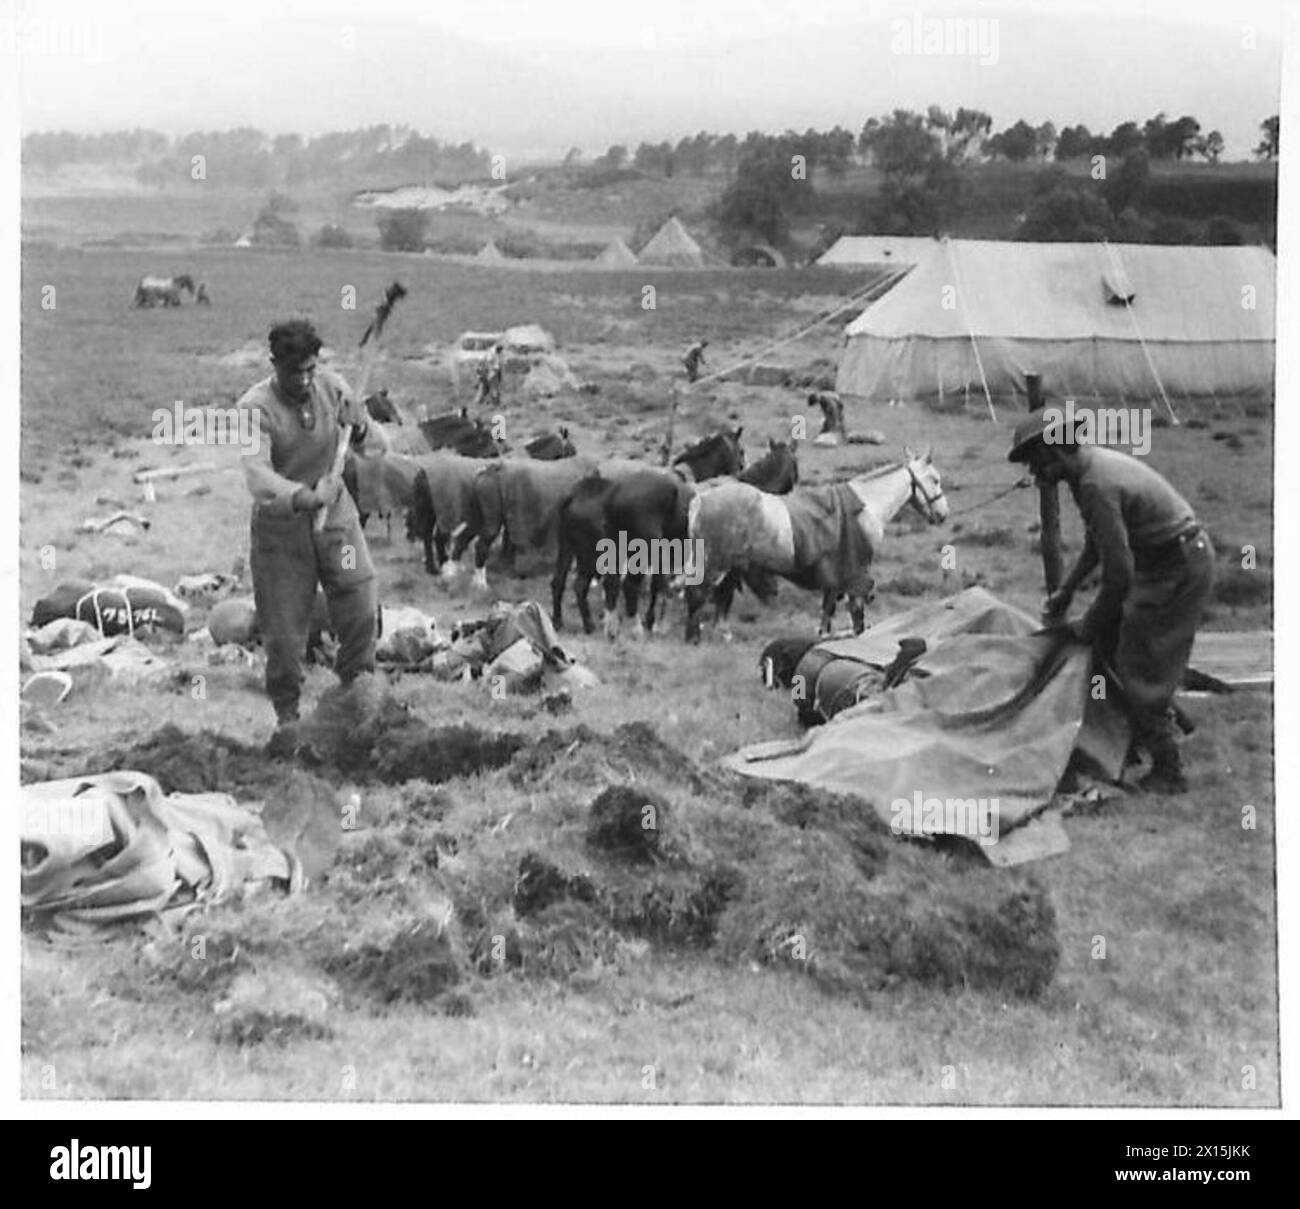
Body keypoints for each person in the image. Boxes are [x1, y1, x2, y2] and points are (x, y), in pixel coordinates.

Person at [1008, 410, 1214, 793]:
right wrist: (1067, 591)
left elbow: (1119, 576)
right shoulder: (1086, 472)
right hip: (1163, 559)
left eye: (1037, 464)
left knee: (1139, 661)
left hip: (1179, 564)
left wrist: (1090, 623)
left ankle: (1169, 769)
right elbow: (1096, 543)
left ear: (1056, 448)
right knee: (1114, 647)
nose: (1036, 476)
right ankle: (1145, 733)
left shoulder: (1096, 484)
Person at [236, 319, 385, 753]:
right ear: (274, 365)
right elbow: (257, 475)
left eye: (309, 369)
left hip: (336, 524)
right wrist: (302, 495)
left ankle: (355, 698)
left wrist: (358, 426)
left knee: (361, 600)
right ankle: (289, 722)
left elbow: (379, 446)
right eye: (293, 372)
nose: (303, 380)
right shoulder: (253, 408)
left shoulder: (333, 386)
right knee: (283, 636)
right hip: (282, 534)